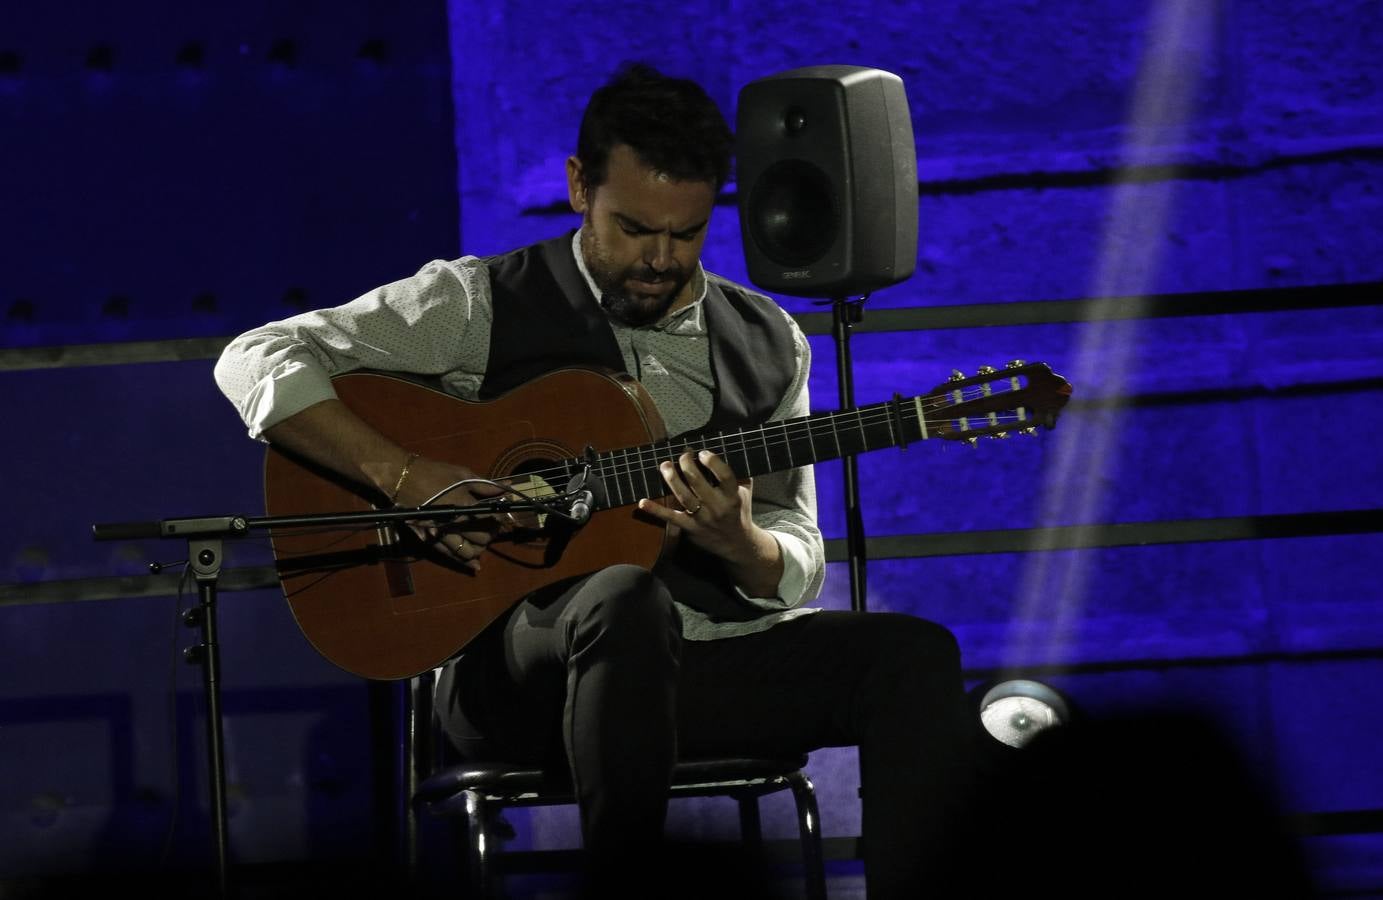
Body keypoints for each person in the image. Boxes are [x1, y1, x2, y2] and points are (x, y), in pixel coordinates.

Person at [214, 62, 980, 898]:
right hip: (518, 681)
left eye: (684, 235)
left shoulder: (768, 339)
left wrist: (741, 542)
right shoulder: (479, 302)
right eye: (633, 229)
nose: (658, 260)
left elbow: (795, 550)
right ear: (580, 187)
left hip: (698, 673)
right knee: (621, 597)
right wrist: (403, 473)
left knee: (911, 655)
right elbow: (256, 356)